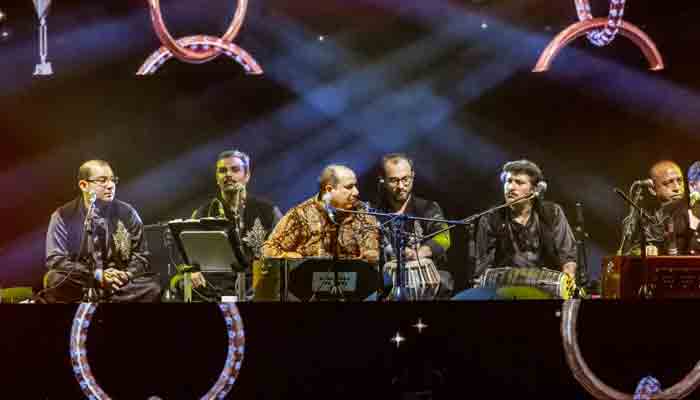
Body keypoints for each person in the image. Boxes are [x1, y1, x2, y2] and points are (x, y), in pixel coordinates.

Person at [454, 159, 577, 300]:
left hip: (546, 287)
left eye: (519, 182)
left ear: (535, 190)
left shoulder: (552, 213)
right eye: (508, 181)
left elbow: (568, 256)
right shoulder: (491, 218)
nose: (511, 187)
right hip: (504, 288)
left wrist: (567, 283)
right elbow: (483, 267)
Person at [43, 160, 160, 303]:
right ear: (84, 185)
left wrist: (126, 275)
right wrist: (97, 275)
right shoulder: (62, 216)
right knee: (55, 280)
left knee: (152, 287)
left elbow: (141, 255)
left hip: (120, 282)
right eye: (102, 181)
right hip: (84, 280)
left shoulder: (128, 213)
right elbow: (55, 259)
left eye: (112, 180)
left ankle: (103, 296)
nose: (110, 186)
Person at [180, 149, 282, 301]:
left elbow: (283, 249)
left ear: (246, 175)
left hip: (256, 283)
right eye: (222, 171)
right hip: (215, 286)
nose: (228, 174)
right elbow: (187, 255)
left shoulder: (268, 212)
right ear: (217, 178)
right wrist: (191, 271)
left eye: (235, 170)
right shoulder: (203, 212)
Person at [263, 164, 379, 262]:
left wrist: (370, 255)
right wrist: (298, 258)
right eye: (349, 187)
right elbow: (268, 250)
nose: (356, 192)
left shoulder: (362, 213)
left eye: (355, 186)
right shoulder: (300, 214)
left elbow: (372, 251)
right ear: (329, 189)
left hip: (354, 283)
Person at [375, 153, 452, 298]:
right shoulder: (375, 214)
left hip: (430, 283)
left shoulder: (428, 208)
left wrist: (418, 253)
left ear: (413, 176)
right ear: (382, 180)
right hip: (389, 284)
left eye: (405, 179)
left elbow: (444, 237)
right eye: (393, 180)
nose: (401, 186)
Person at [619, 160, 690, 256]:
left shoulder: (693, 211)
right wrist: (643, 250)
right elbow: (631, 248)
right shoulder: (646, 217)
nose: (677, 187)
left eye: (680, 180)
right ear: (652, 189)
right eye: (668, 183)